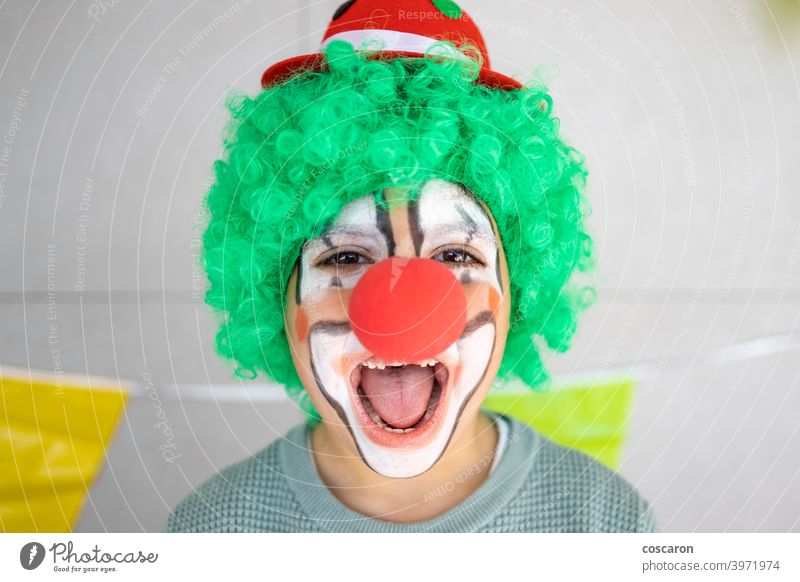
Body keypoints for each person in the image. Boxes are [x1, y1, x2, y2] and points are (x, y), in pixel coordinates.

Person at [166, 0, 657, 533]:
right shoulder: (213, 533)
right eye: (347, 256)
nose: (404, 311)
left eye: (455, 255)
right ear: (273, 301)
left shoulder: (603, 524)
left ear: (519, 294)